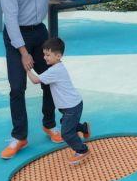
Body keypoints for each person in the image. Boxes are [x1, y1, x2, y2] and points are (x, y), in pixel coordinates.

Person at [0, 0, 74, 159]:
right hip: (16, 35)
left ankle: (49, 125)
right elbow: (11, 20)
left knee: (50, 80)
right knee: (17, 87)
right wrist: (23, 52)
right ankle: (19, 137)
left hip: (39, 32)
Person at [25, 37, 92, 165]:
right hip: (71, 105)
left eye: (47, 55)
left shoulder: (54, 71)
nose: (44, 57)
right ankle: (84, 128)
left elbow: (35, 80)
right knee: (65, 122)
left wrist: (27, 68)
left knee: (66, 133)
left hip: (72, 107)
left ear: (58, 56)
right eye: (44, 54)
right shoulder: (57, 67)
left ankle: (82, 150)